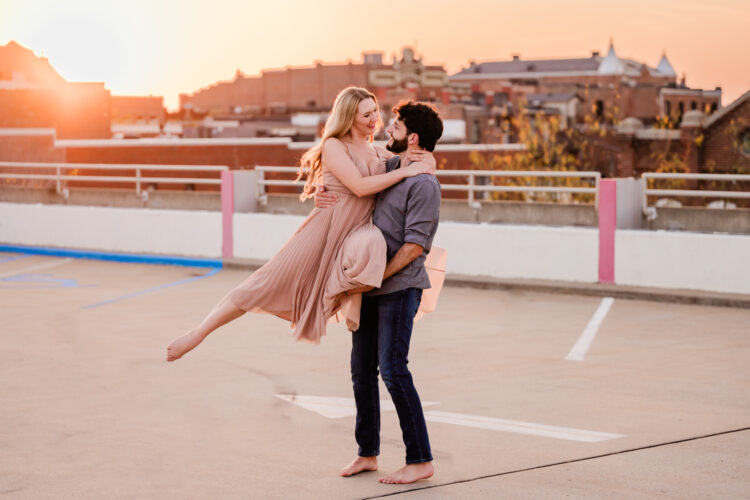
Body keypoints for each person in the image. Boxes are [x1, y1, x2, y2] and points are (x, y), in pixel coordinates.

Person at [165, 87, 435, 361]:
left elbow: (419, 164)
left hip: (357, 231)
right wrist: (404, 170)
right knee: (261, 284)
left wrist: (425, 162)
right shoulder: (334, 145)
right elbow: (360, 187)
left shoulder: (382, 155)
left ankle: (341, 297)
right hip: (325, 229)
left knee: (370, 253)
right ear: (349, 117)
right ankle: (197, 334)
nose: (374, 119)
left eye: (375, 111)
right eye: (366, 114)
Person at [315, 101, 444, 484]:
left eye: (397, 126)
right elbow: (349, 185)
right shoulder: (391, 167)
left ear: (413, 137)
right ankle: (367, 453)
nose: (388, 129)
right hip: (370, 286)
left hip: (399, 288)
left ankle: (420, 460)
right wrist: (322, 194)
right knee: (360, 371)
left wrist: (377, 277)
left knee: (392, 369)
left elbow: (415, 246)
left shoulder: (424, 183)